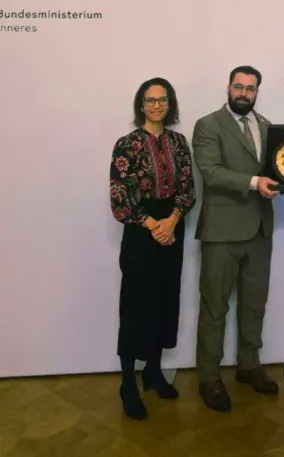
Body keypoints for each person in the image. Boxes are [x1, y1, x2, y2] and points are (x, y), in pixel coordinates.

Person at [192, 65, 280, 413]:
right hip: (222, 232)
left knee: (254, 304)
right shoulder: (208, 125)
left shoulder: (268, 126)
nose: (244, 93)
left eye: (250, 88)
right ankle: (209, 377)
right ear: (228, 88)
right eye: (238, 87)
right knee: (214, 307)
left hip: (260, 229)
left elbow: (278, 170)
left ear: (257, 91)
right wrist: (255, 183)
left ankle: (249, 366)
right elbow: (210, 172)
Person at [109, 77, 196, 420]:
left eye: (162, 99)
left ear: (170, 104)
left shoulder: (178, 142)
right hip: (140, 232)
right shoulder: (127, 144)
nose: (157, 105)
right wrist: (154, 226)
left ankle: (154, 371)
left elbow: (188, 189)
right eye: (150, 100)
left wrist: (171, 221)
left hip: (172, 227)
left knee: (164, 299)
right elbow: (120, 198)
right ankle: (128, 383)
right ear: (141, 105)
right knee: (136, 304)